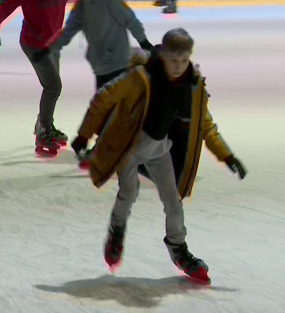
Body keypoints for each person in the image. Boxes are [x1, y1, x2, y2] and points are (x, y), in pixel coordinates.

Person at [71, 28, 247, 283]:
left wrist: (227, 156)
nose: (178, 67)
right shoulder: (141, 77)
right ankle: (117, 230)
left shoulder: (192, 86)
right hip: (129, 148)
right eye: (173, 60)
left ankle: (178, 248)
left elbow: (205, 125)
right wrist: (83, 136)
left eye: (184, 60)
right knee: (129, 192)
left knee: (173, 202)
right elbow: (103, 99)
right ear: (163, 55)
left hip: (159, 150)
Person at [0, 0, 75, 156]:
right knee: (53, 86)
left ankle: (46, 126)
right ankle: (43, 132)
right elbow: (5, 4)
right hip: (34, 43)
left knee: (53, 89)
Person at [48, 0, 153, 90]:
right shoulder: (82, 5)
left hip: (118, 62)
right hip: (100, 66)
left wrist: (144, 42)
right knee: (102, 107)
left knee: (116, 106)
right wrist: (48, 47)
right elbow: (68, 31)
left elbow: (131, 20)